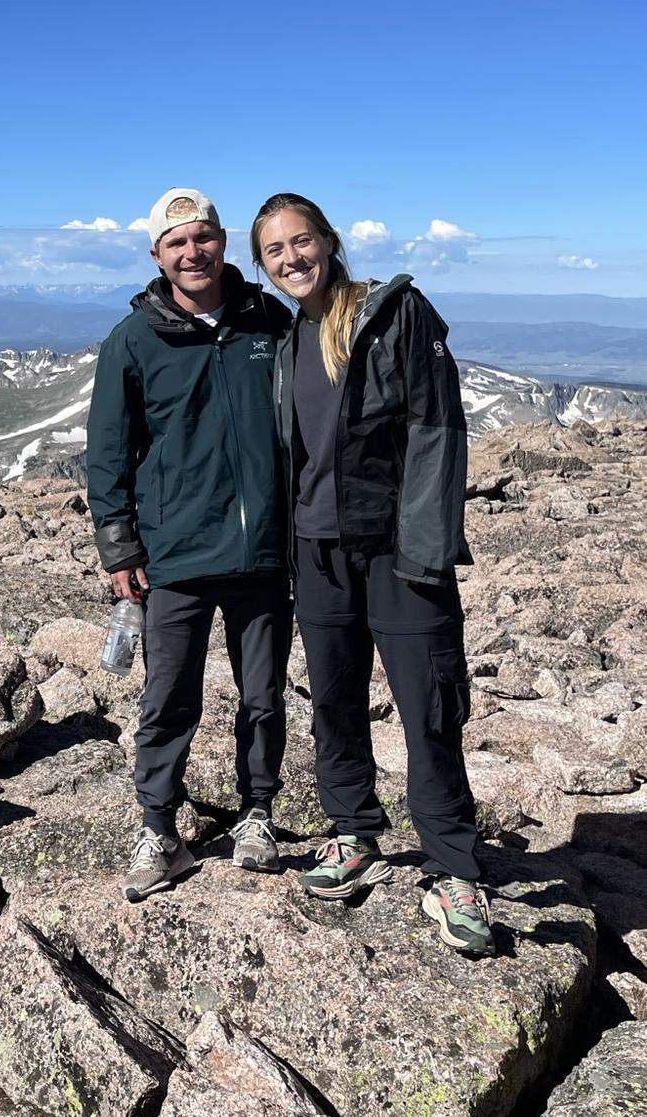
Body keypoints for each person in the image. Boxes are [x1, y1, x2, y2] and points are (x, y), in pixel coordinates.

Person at [250, 191, 492, 958]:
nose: (291, 259)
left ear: (328, 240)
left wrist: (424, 550)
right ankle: (353, 831)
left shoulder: (392, 316)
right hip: (317, 555)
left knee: (427, 706)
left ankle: (453, 868)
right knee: (335, 699)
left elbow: (436, 429)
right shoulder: (292, 342)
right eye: (274, 252)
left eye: (300, 242)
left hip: (396, 551)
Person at [87, 186, 294, 901]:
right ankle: (157, 828)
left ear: (223, 242)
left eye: (202, 237)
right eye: (176, 242)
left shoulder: (267, 319)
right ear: (157, 256)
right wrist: (121, 552)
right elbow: (107, 455)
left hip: (264, 550)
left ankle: (258, 814)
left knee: (262, 693)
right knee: (168, 695)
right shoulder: (134, 341)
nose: (192, 251)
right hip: (174, 553)